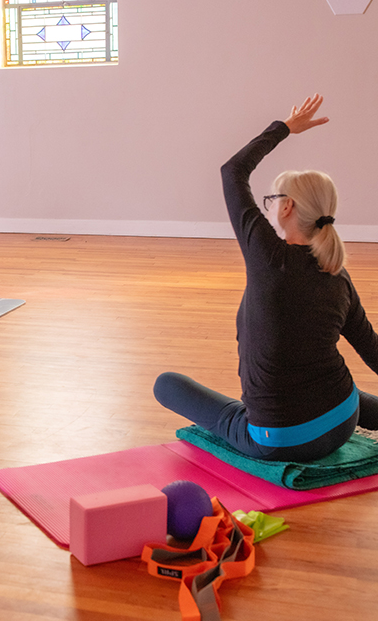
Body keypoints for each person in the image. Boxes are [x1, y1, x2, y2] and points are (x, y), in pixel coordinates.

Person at [153, 94, 378, 462]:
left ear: (287, 206)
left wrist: (285, 128)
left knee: (167, 386)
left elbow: (233, 171)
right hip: (344, 418)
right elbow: (373, 351)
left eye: (271, 198)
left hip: (280, 440)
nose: (267, 204)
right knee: (332, 385)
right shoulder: (338, 275)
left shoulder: (269, 257)